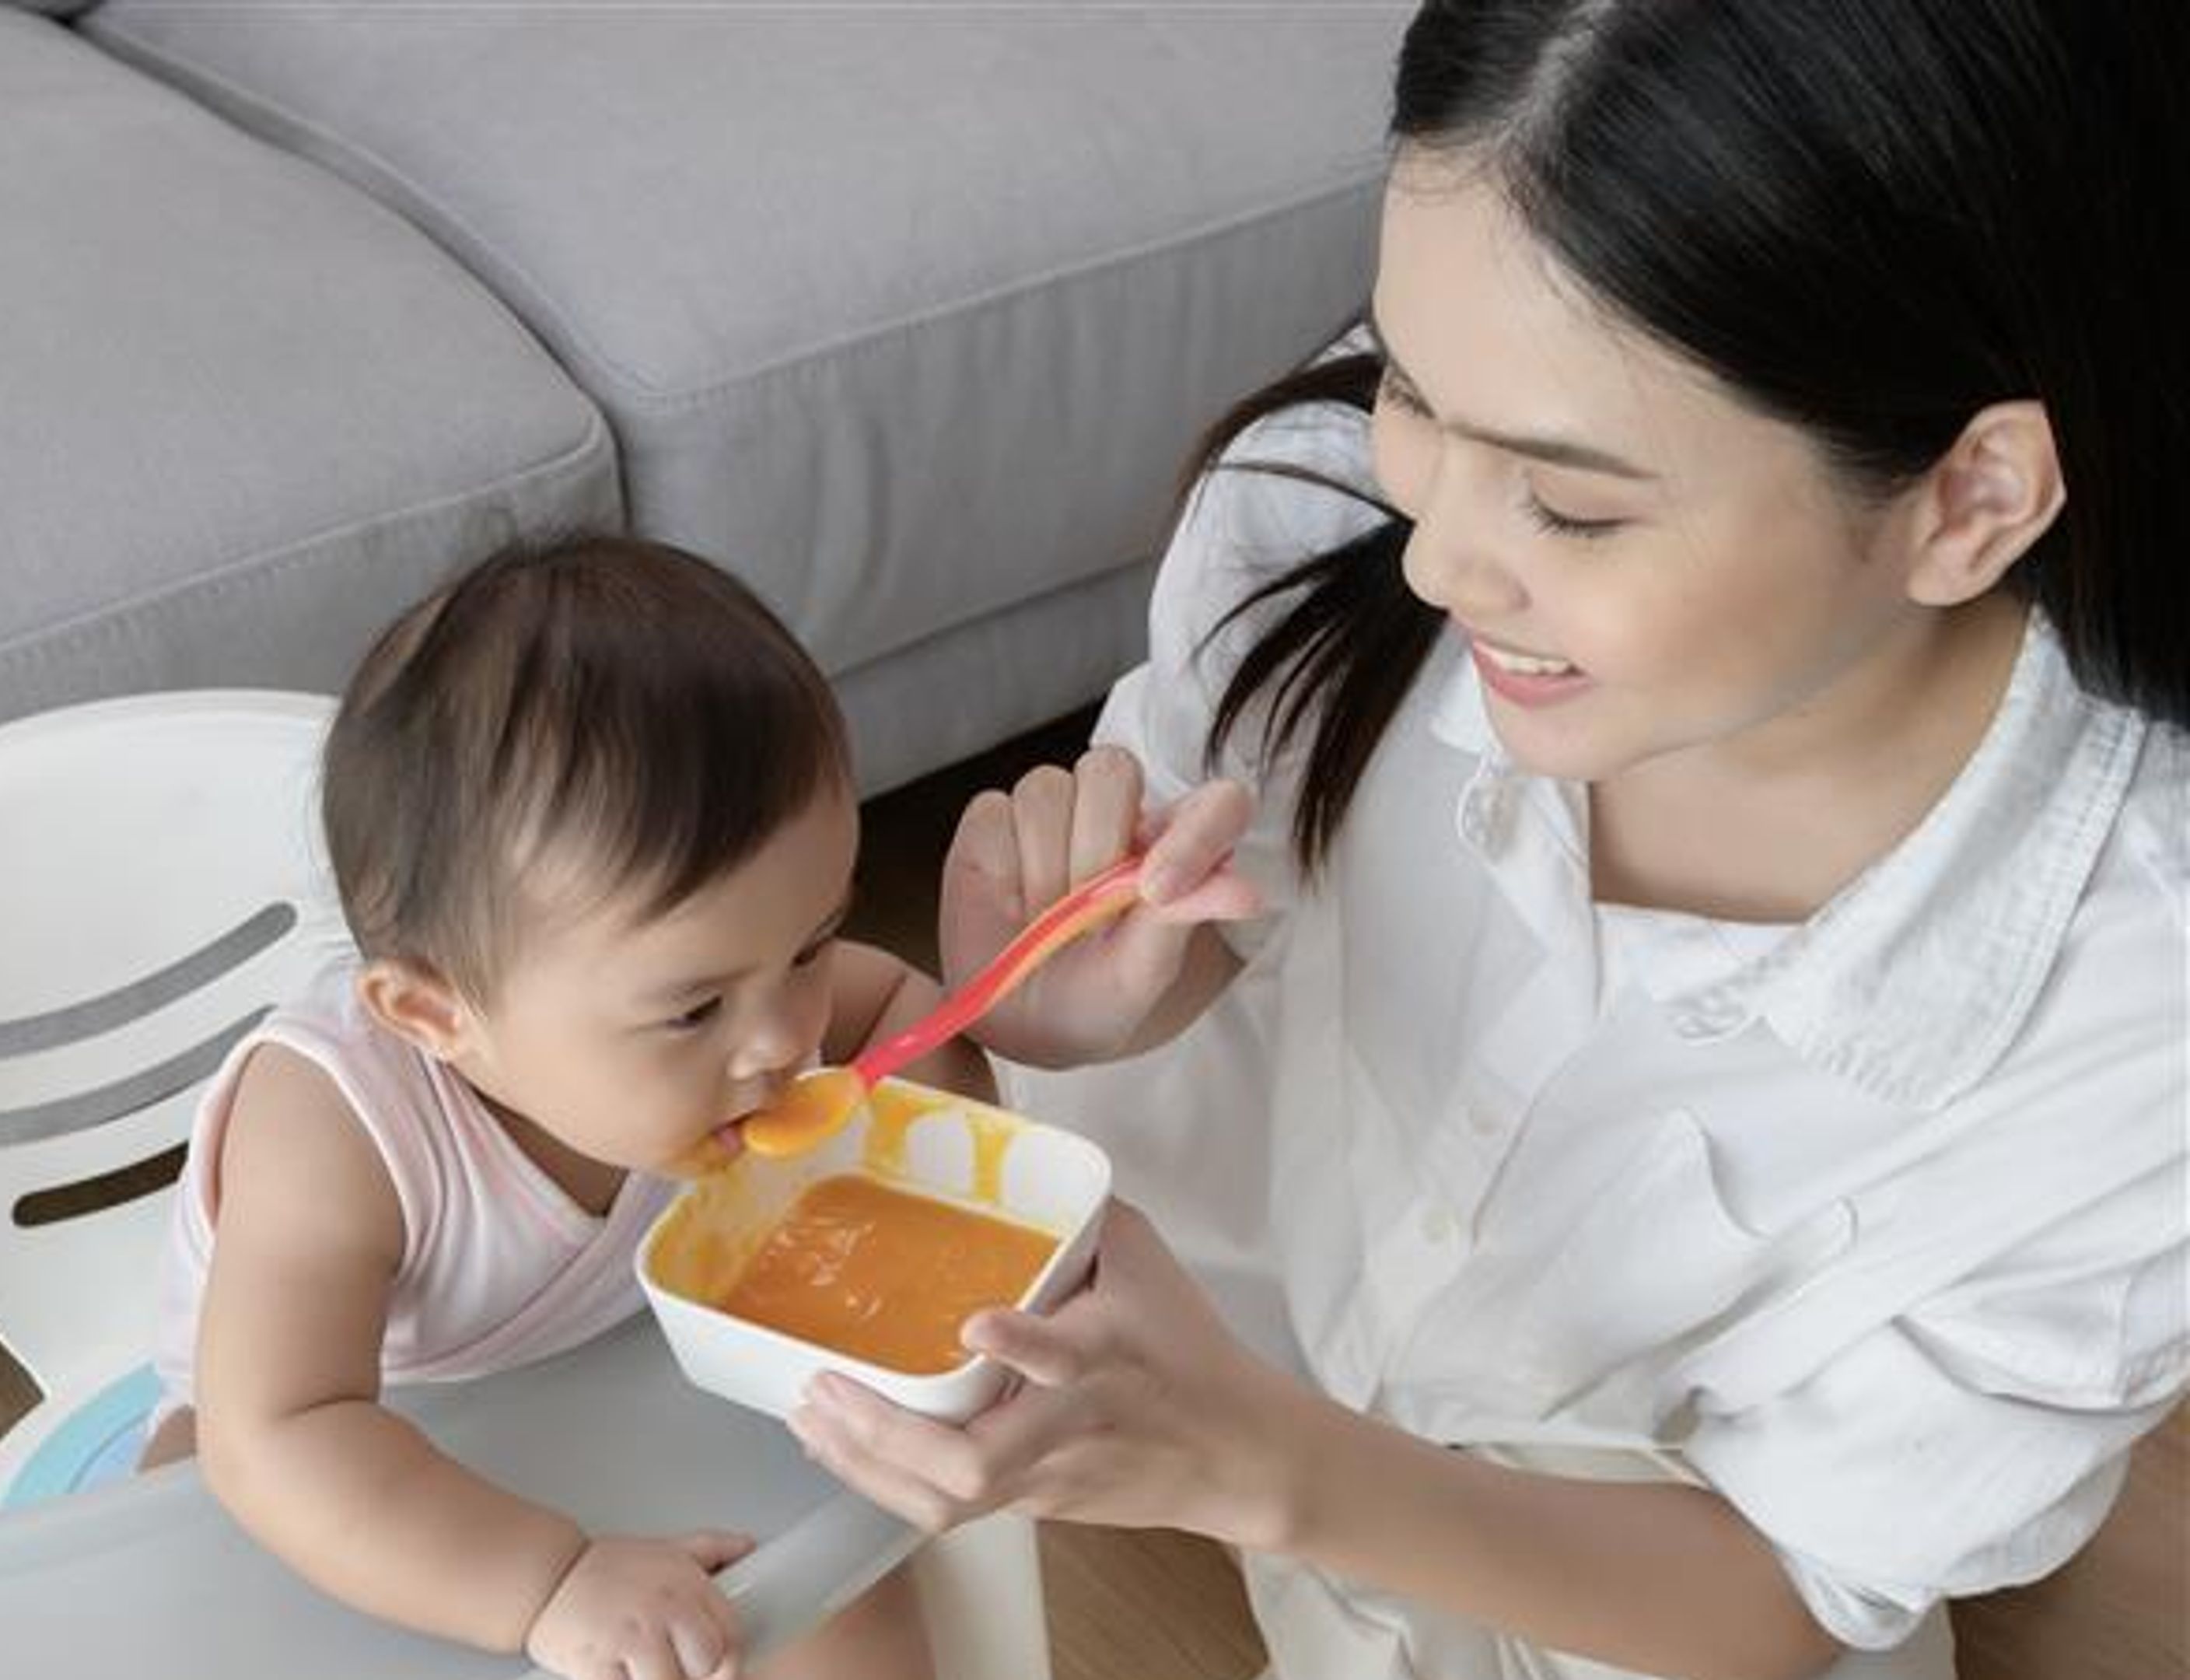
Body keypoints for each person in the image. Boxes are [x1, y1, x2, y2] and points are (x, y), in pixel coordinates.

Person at [785, 4, 2188, 1678]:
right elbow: (1223, 916)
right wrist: (1101, 1009)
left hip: (1605, 1601)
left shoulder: (2139, 1019)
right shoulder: (1319, 512)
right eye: (1409, 387)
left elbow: (1794, 1593)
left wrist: (1267, 1468)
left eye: (1574, 505)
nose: (1437, 559)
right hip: (1239, 1399)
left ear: (1969, 499)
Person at [139, 536, 981, 1680]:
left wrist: (918, 1208)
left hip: (626, 1374)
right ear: (437, 1018)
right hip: (361, 1430)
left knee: (847, 1599)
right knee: (209, 1573)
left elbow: (907, 1020)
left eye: (812, 943)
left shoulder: (743, 1028)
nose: (785, 1039)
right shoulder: (335, 1127)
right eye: (695, 1011)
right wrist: (544, 1581)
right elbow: (272, 1432)